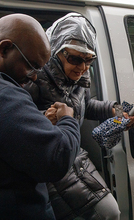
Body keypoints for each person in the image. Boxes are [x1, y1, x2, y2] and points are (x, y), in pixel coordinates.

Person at [24, 13, 120, 220]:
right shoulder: (34, 77)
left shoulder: (78, 79)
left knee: (110, 212)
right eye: (75, 58)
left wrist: (114, 110)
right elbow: (15, 118)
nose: (83, 67)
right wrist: (43, 119)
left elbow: (84, 106)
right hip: (50, 160)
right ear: (55, 51)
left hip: (74, 153)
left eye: (89, 60)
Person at [0, 14, 80, 219]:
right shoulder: (8, 94)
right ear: (4, 49)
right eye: (31, 65)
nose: (34, 76)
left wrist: (38, 121)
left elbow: (12, 130)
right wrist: (68, 120)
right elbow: (57, 157)